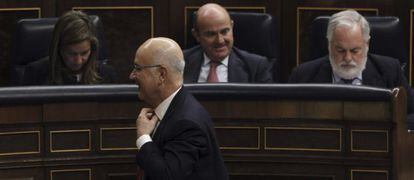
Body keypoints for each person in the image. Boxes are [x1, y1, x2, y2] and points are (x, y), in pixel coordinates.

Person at [130, 37, 228, 180]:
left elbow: (167, 176)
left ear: (161, 75)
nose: (132, 75)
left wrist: (143, 138)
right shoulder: (174, 107)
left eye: (138, 68)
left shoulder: (187, 123)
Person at [289, 9, 414, 114]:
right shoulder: (303, 76)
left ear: (367, 45)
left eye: (355, 51)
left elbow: (410, 115)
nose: (348, 58)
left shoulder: (390, 72)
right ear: (329, 45)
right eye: (340, 50)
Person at [183, 3, 273, 83]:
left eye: (224, 31)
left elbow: (268, 101)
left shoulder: (257, 67)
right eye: (211, 34)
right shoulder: (180, 63)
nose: (220, 41)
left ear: (232, 27)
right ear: (197, 35)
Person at [23, 10, 117, 85]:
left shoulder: (107, 75)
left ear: (92, 49)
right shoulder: (35, 74)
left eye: (84, 53)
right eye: (71, 54)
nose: (78, 61)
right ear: (58, 48)